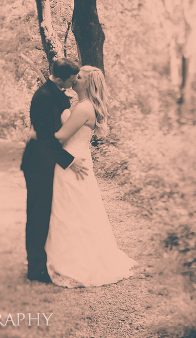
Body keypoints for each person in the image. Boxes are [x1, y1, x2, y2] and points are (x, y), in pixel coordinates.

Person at [31, 65, 137, 287]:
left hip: (71, 163)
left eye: (79, 77)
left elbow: (60, 137)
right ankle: (66, 257)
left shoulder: (83, 108)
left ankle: (75, 262)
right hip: (77, 160)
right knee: (74, 211)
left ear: (88, 83)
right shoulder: (81, 106)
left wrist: (36, 132)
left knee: (69, 212)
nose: (74, 79)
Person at [20, 58, 88, 283]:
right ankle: (36, 269)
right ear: (59, 78)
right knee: (38, 215)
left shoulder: (57, 92)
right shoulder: (43, 97)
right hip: (39, 163)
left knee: (51, 214)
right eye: (71, 80)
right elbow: (46, 138)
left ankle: (50, 261)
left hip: (50, 162)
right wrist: (69, 160)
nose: (74, 82)